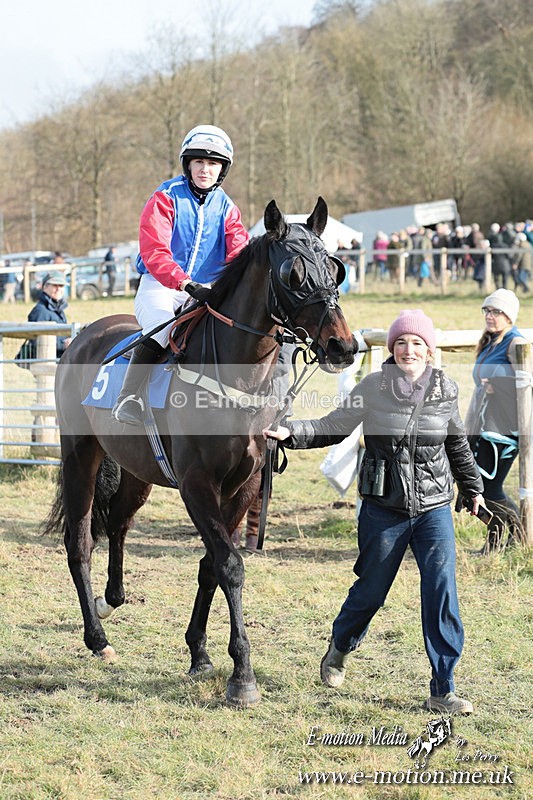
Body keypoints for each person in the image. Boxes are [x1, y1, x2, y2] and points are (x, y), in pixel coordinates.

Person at [265, 309, 485, 715]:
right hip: (384, 508)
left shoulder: (445, 390)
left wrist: (472, 488)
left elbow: (456, 443)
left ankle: (443, 688)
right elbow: (334, 425)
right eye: (401, 342)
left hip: (434, 508)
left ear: (429, 351)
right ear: (392, 349)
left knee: (441, 594)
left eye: (417, 343)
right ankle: (340, 647)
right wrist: (291, 432)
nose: (408, 349)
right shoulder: (373, 387)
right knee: (369, 591)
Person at [112, 124, 249, 425]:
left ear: (221, 169)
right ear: (187, 164)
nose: (205, 169)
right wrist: (186, 283)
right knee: (162, 329)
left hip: (207, 290)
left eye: (213, 163)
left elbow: (239, 251)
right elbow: (155, 251)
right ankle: (129, 397)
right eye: (199, 161)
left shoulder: (227, 208)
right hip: (161, 286)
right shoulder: (165, 197)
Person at [465, 289, 527, 552]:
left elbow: (526, 386)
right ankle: (495, 540)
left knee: (491, 486)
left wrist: (498, 384)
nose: (490, 316)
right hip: (485, 426)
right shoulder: (490, 342)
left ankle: (519, 533)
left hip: (505, 429)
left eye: (497, 312)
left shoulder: (516, 344)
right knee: (482, 486)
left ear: (509, 316)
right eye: (487, 311)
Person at [27, 271, 72, 356]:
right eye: (55, 285)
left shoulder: (59, 309)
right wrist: (63, 345)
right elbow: (36, 341)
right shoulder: (40, 311)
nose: (58, 289)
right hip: (44, 362)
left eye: (61, 286)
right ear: (44, 287)